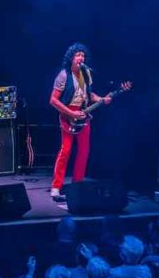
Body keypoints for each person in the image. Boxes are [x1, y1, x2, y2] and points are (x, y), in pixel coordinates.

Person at [48, 43, 113, 201]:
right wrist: (71, 113)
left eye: (83, 55)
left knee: (84, 150)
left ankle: (77, 185)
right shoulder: (63, 75)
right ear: (71, 58)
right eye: (77, 55)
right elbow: (53, 100)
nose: (81, 58)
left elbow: (89, 95)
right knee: (66, 150)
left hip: (83, 114)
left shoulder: (86, 73)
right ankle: (56, 187)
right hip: (68, 113)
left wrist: (101, 99)